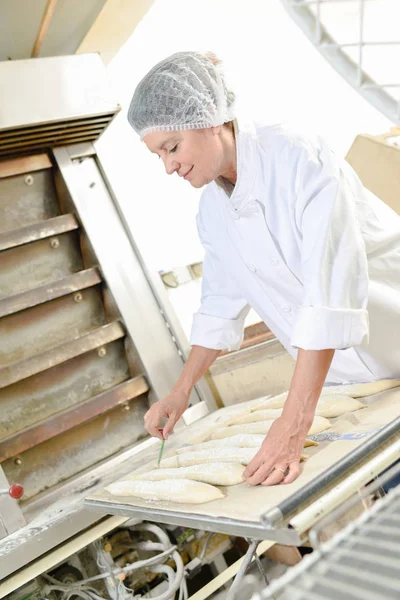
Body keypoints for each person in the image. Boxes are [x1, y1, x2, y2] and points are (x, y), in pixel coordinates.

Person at [127, 51, 400, 486]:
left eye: (172, 147)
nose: (169, 166)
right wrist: (179, 393)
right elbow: (219, 307)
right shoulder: (213, 212)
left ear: (210, 119)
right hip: (354, 392)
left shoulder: (298, 158)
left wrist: (294, 424)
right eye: (158, 155)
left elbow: (329, 295)